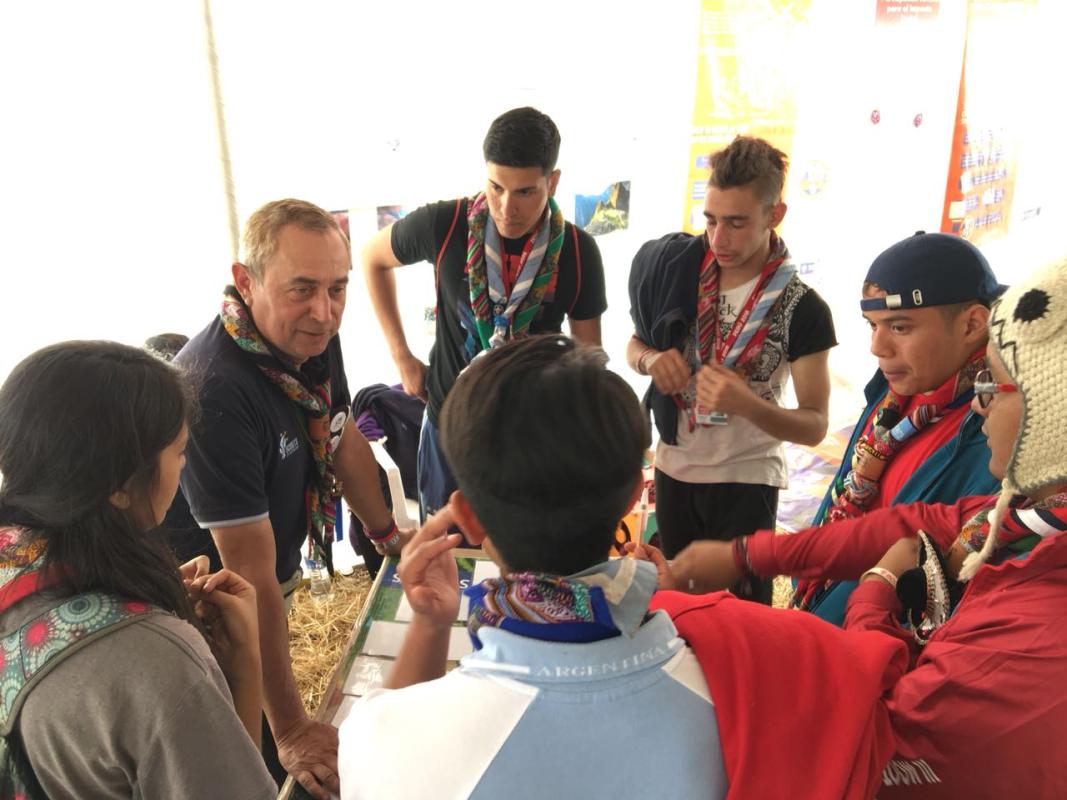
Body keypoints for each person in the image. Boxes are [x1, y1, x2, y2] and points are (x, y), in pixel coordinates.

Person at [338, 335, 908, 800]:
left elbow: (389, 738)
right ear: (639, 494)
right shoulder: (758, 686)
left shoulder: (381, 740)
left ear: (469, 520)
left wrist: (430, 625)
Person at [641, 259, 1067, 798]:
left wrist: (875, 591)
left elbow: (879, 742)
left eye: (997, 387)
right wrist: (746, 557)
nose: (981, 410)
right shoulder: (1015, 514)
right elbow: (900, 526)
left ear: (1053, 415)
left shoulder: (1036, 630)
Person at [164, 198, 404, 799]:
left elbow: (344, 435)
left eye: (338, 289)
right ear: (245, 282)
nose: (324, 313)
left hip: (270, 569)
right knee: (256, 756)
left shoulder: (313, 335)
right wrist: (293, 726)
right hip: (210, 601)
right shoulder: (211, 387)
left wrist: (389, 539)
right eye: (302, 289)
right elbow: (250, 572)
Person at [0, 341, 276, 799]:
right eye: (179, 452)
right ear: (123, 485)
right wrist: (243, 665)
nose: (184, 465)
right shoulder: (156, 662)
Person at [362, 106, 607, 523]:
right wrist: (401, 354)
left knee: (517, 565)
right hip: (448, 430)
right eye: (496, 187)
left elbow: (589, 361)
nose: (506, 207)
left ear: (554, 181)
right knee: (448, 560)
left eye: (526, 191)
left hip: (526, 441)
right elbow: (371, 258)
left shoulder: (578, 252)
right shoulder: (447, 223)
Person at [627, 135, 836, 603]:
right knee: (673, 604)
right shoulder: (678, 271)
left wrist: (748, 405)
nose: (718, 239)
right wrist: (651, 360)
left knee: (739, 614)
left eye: (737, 224)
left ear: (774, 215)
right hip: (674, 469)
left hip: (746, 479)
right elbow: (634, 345)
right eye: (711, 220)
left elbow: (816, 424)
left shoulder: (803, 308)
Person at [789, 231, 1004, 622]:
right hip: (821, 614)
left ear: (973, 325)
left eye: (900, 327)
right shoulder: (892, 395)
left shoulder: (994, 434)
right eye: (872, 325)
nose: (878, 346)